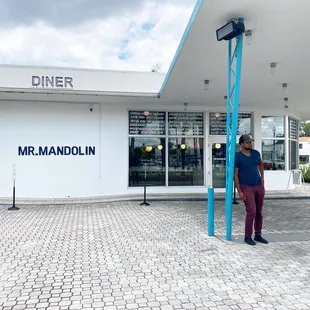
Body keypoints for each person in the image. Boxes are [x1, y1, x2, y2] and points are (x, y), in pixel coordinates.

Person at [234, 134, 268, 246]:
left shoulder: (256, 153)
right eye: (248, 142)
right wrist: (239, 191)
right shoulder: (237, 156)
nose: (250, 144)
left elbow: (260, 164)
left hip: (258, 186)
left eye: (251, 142)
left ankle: (258, 235)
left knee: (259, 212)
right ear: (242, 144)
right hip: (246, 187)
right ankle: (247, 236)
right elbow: (235, 175)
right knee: (251, 211)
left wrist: (262, 178)